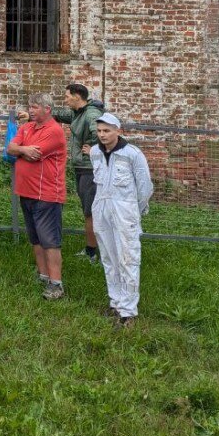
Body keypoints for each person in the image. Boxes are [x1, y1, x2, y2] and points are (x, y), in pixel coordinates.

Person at [89, 112, 153, 327]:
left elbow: (145, 188)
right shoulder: (95, 152)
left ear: (118, 130)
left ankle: (128, 311)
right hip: (102, 209)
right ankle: (115, 302)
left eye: (106, 131)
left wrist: (135, 210)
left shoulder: (132, 154)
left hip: (125, 212)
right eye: (99, 131)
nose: (102, 135)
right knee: (109, 257)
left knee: (128, 258)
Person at [8, 93, 69, 300]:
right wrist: (22, 149)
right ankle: (43, 275)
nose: (31, 111)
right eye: (30, 107)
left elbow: (36, 155)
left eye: (35, 107)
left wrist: (21, 151)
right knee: (35, 237)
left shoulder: (54, 131)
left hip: (47, 193)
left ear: (47, 109)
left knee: (49, 240)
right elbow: (10, 149)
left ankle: (56, 284)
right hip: (26, 191)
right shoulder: (26, 128)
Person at [52, 83, 105, 263]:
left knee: (90, 211)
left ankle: (92, 253)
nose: (65, 100)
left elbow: (101, 132)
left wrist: (94, 149)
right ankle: (94, 249)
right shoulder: (78, 113)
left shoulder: (90, 114)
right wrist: (31, 116)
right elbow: (59, 114)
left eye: (67, 96)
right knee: (88, 209)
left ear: (77, 96)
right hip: (82, 167)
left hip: (89, 169)